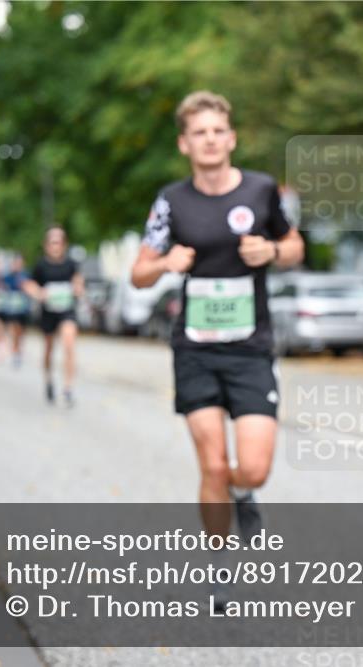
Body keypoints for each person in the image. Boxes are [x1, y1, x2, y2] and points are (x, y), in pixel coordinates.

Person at [130, 90, 304, 606]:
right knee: (211, 464)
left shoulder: (260, 190)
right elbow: (137, 273)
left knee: (251, 467)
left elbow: (295, 248)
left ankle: (245, 494)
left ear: (231, 138)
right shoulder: (171, 201)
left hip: (251, 347)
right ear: (186, 144)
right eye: (198, 133)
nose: (209, 140)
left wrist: (271, 249)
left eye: (216, 131)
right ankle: (220, 564)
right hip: (196, 350)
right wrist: (165, 264)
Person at [25, 227, 82, 407]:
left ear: (64, 244)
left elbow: (78, 282)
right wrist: (39, 293)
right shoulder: (41, 265)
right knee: (49, 347)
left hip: (66, 309)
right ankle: (49, 379)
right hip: (48, 312)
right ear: (46, 245)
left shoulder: (71, 264)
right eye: (52, 242)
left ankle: (68, 388)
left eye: (58, 242)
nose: (55, 246)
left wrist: (78, 289)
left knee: (69, 343)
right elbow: (29, 284)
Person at [0, 254, 31, 368]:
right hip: (11, 308)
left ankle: (18, 350)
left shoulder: (26, 276)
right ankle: (14, 351)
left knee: (20, 331)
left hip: (23, 309)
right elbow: (3, 288)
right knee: (13, 328)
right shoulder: (7, 276)